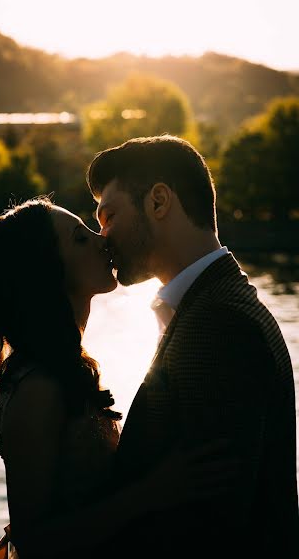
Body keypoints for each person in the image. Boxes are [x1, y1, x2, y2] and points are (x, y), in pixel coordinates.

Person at [0, 197, 237, 559]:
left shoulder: (61, 368)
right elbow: (35, 540)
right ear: (47, 270)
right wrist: (153, 491)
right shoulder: (38, 388)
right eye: (81, 239)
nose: (102, 239)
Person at [86, 133, 299, 556]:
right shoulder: (215, 305)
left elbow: (209, 525)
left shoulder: (220, 324)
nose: (102, 236)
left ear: (159, 202)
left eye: (108, 216)